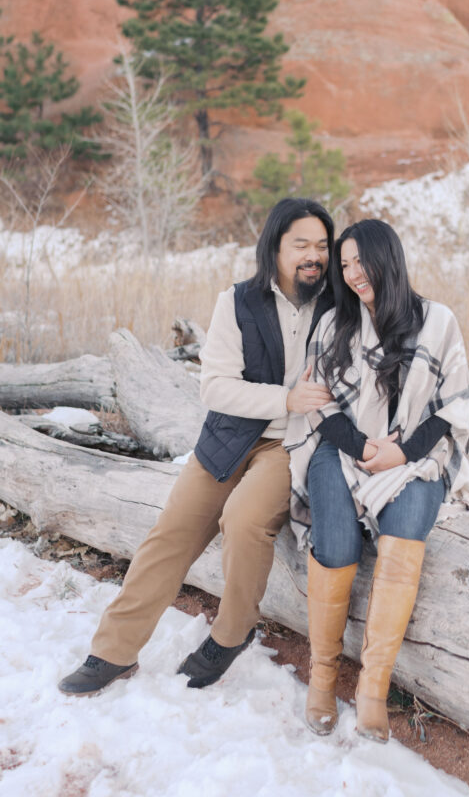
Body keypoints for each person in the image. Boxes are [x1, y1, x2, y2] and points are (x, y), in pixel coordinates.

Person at [59, 197, 335, 695]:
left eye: (322, 246)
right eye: (301, 245)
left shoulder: (340, 306)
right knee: (170, 535)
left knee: (245, 520)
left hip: (292, 445)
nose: (314, 255)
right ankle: (112, 652)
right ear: (275, 247)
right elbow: (215, 387)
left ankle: (232, 634)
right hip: (229, 437)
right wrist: (288, 397)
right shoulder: (237, 302)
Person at [285, 218, 469, 742]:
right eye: (343, 264)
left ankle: (373, 688)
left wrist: (401, 451)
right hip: (344, 451)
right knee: (336, 542)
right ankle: (323, 677)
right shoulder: (334, 325)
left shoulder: (437, 321)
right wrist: (364, 447)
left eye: (359, 261)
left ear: (387, 259)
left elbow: (453, 404)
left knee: (405, 534)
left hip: (415, 458)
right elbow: (319, 408)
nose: (351, 274)